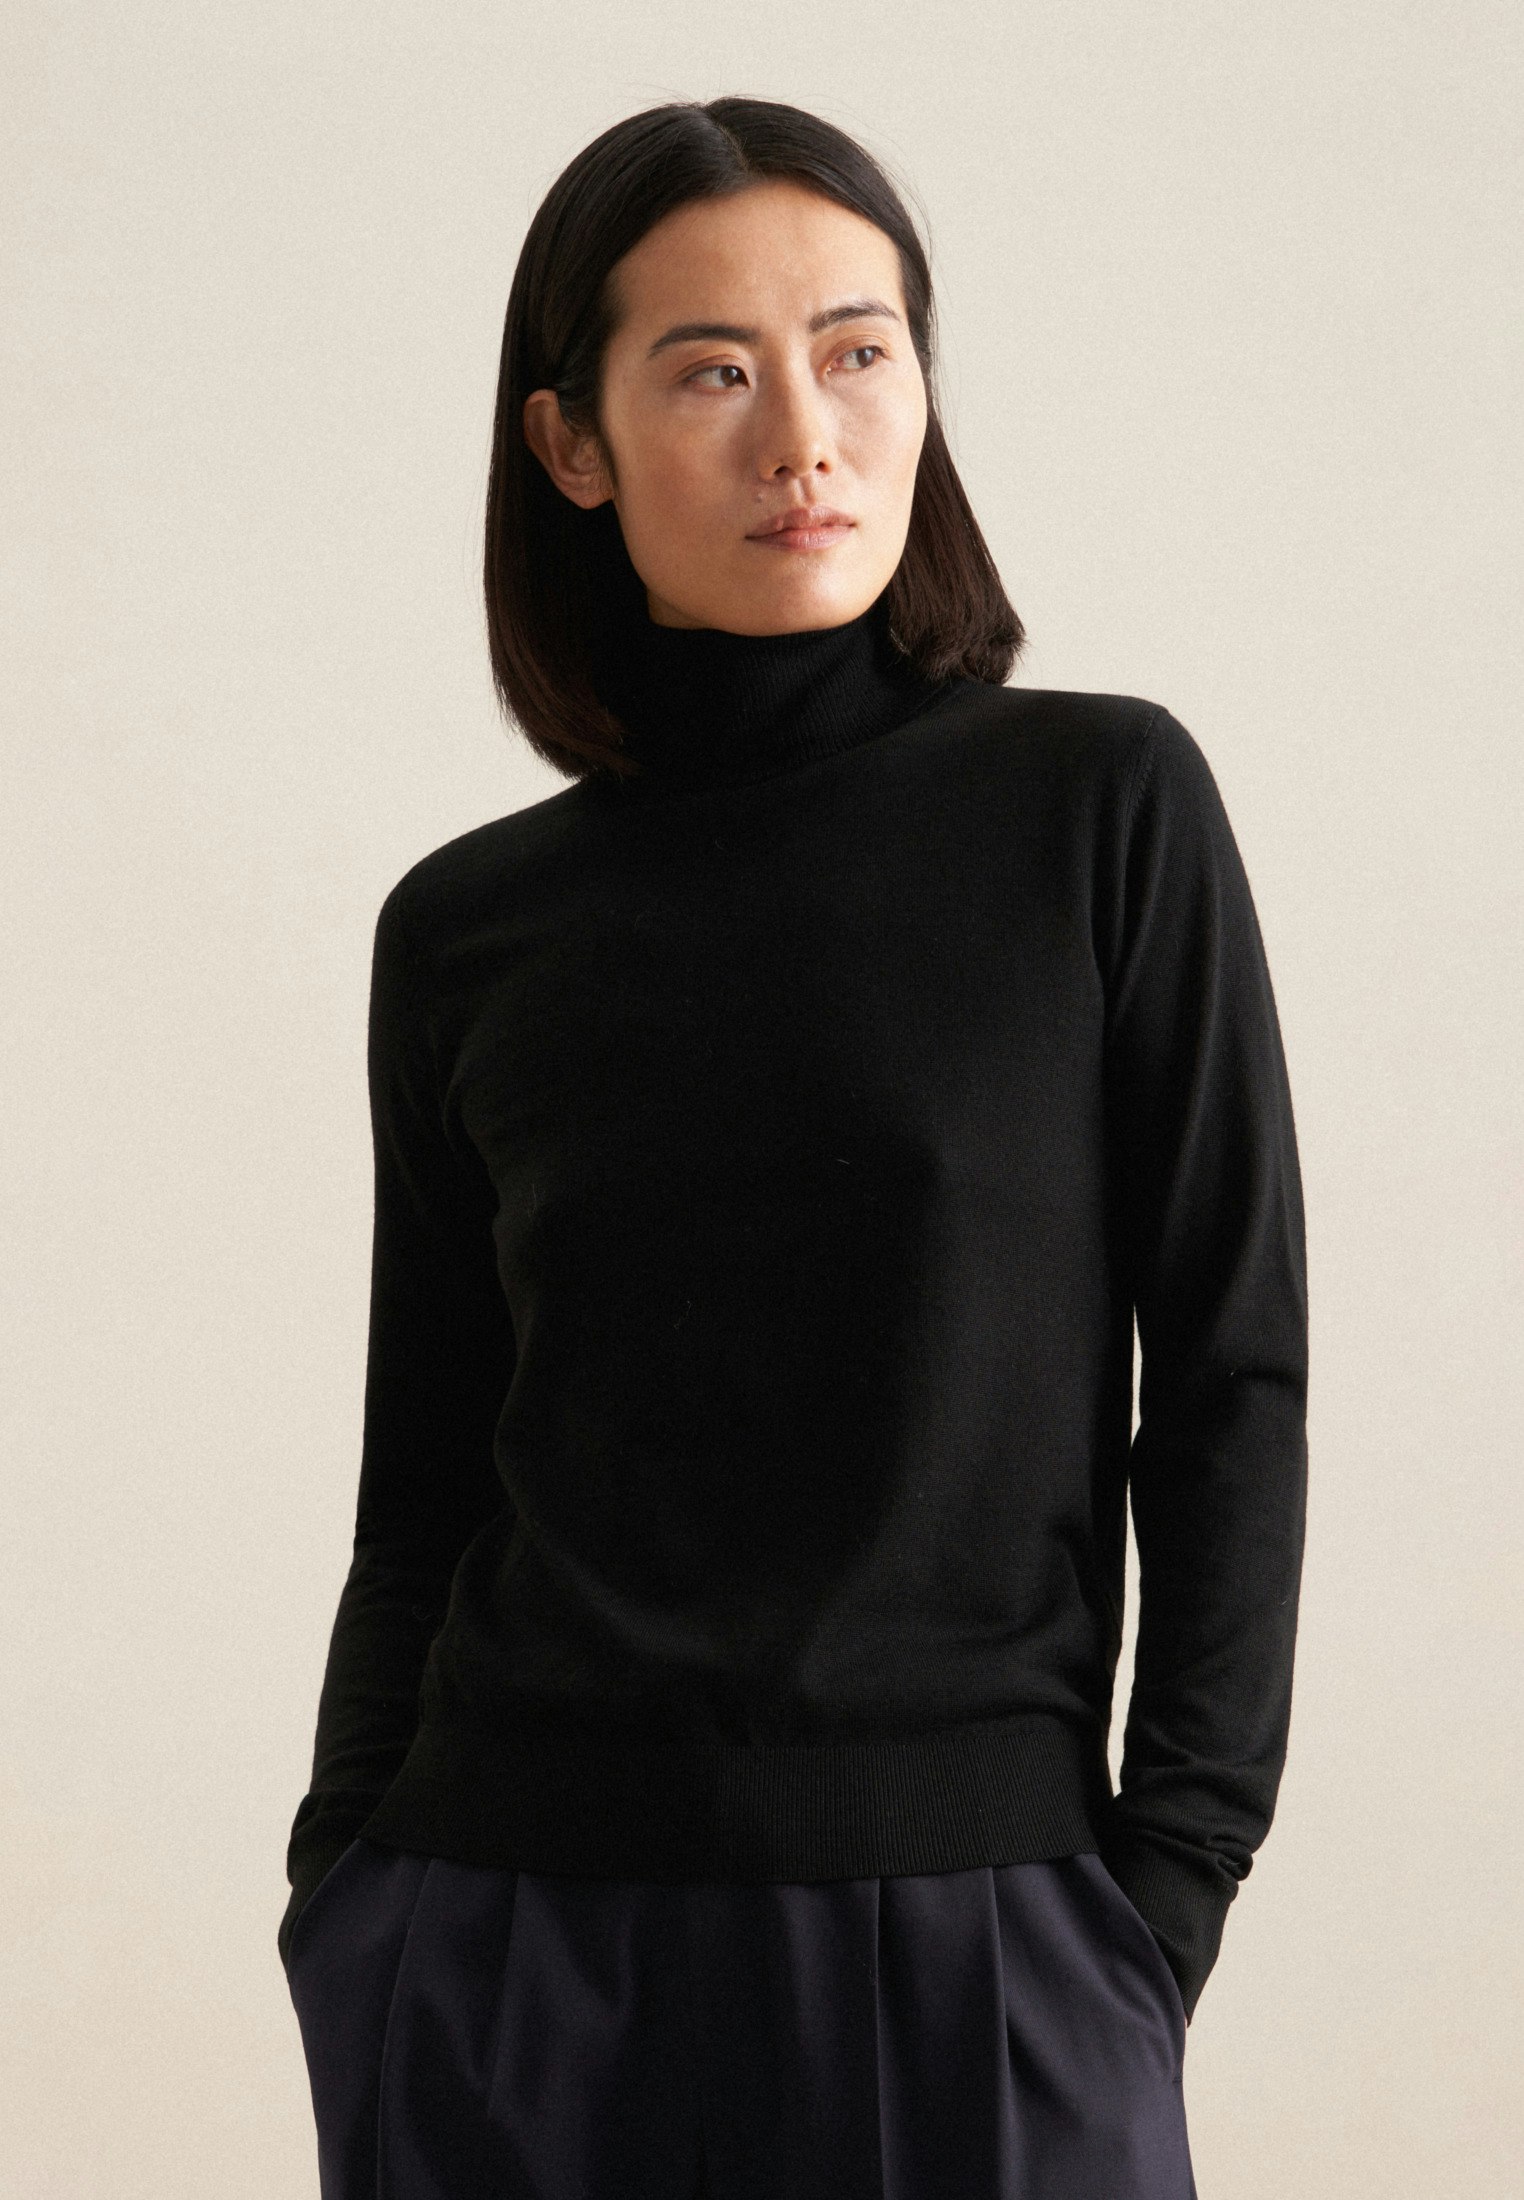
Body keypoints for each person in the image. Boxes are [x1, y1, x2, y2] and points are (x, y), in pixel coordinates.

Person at [277, 94, 1308, 2200]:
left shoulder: (1100, 812)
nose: (806, 437)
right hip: (505, 1946)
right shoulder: (466, 929)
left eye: (857, 350)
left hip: (986, 1939)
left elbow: (1230, 1384)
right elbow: (427, 1481)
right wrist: (349, 1893)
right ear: (572, 445)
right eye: (712, 371)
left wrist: (1161, 1901)